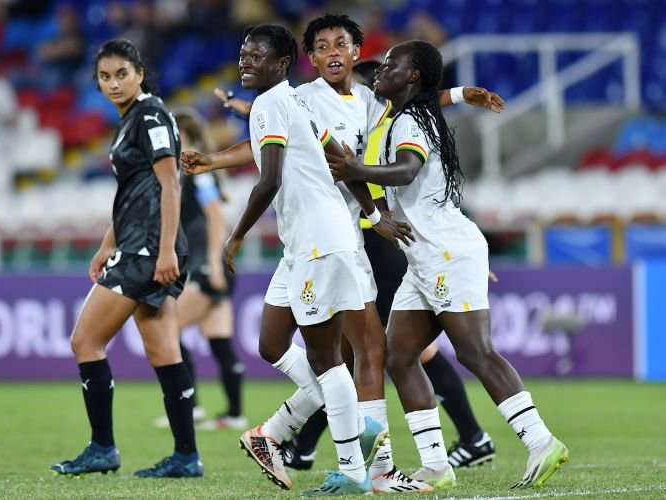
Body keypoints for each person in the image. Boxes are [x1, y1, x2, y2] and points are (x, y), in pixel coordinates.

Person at [211, 14, 503, 488]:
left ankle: (371, 462)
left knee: (363, 349)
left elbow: (405, 107)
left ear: (354, 51)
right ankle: (291, 431)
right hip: (310, 237)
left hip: (342, 235)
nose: (331, 52)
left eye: (340, 44)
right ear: (306, 58)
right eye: (322, 45)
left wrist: (460, 94)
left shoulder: (369, 100)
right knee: (280, 346)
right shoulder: (298, 98)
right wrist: (214, 160)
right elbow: (276, 145)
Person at [184, 23, 417, 496]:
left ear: (282, 63)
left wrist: (233, 238)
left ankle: (353, 470)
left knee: (328, 358)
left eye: (255, 56)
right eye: (243, 53)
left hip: (320, 242)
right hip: (304, 245)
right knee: (271, 343)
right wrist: (373, 214)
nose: (245, 61)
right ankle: (328, 423)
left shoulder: (273, 103)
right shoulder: (298, 103)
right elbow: (340, 158)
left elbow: (268, 180)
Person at [327, 39, 569, 490]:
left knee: (476, 352)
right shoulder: (396, 112)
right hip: (423, 255)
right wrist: (459, 94)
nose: (381, 68)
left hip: (444, 252)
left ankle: (541, 441)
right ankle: (437, 465)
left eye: (393, 64)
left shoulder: (410, 122)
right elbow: (431, 96)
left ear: (411, 76)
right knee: (399, 357)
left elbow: (404, 171)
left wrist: (354, 169)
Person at [49, 39, 202, 479]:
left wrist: (166, 248)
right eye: (104, 76)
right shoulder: (133, 119)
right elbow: (138, 191)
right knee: (163, 352)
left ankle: (102, 448)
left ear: (139, 72)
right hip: (139, 244)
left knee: (85, 341)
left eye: (121, 74)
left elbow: (170, 183)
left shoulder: (150, 114)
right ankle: (186, 456)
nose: (113, 83)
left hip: (147, 249)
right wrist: (105, 244)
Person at [154, 108, 246, 431]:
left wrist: (213, 264)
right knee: (219, 340)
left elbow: (217, 217)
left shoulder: (198, 172)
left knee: (167, 326)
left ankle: (189, 406)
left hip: (209, 267)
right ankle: (235, 414)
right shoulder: (186, 172)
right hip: (209, 266)